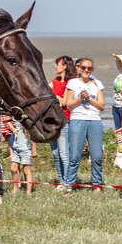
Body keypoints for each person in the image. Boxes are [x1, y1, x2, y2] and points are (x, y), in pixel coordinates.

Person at [63, 58, 106, 193]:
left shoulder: (97, 83)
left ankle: (96, 185)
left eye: (89, 68)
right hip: (77, 120)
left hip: (95, 121)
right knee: (74, 156)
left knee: (97, 156)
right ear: (79, 69)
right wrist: (80, 98)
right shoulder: (73, 83)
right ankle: (69, 186)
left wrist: (89, 98)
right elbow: (68, 105)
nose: (86, 70)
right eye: (84, 68)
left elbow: (102, 106)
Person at [49, 55, 73, 192]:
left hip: (64, 121)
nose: (55, 66)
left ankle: (68, 183)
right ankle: (62, 181)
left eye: (57, 64)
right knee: (55, 153)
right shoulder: (56, 80)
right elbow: (44, 89)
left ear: (64, 66)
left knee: (64, 154)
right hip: (52, 121)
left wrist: (55, 97)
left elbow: (65, 102)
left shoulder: (70, 83)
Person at [4, 116, 33, 195]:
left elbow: (33, 138)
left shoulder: (28, 124)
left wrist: (34, 150)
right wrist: (7, 122)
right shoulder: (17, 122)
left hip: (25, 150)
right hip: (17, 149)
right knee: (13, 169)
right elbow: (14, 131)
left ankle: (28, 192)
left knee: (26, 170)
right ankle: (15, 189)